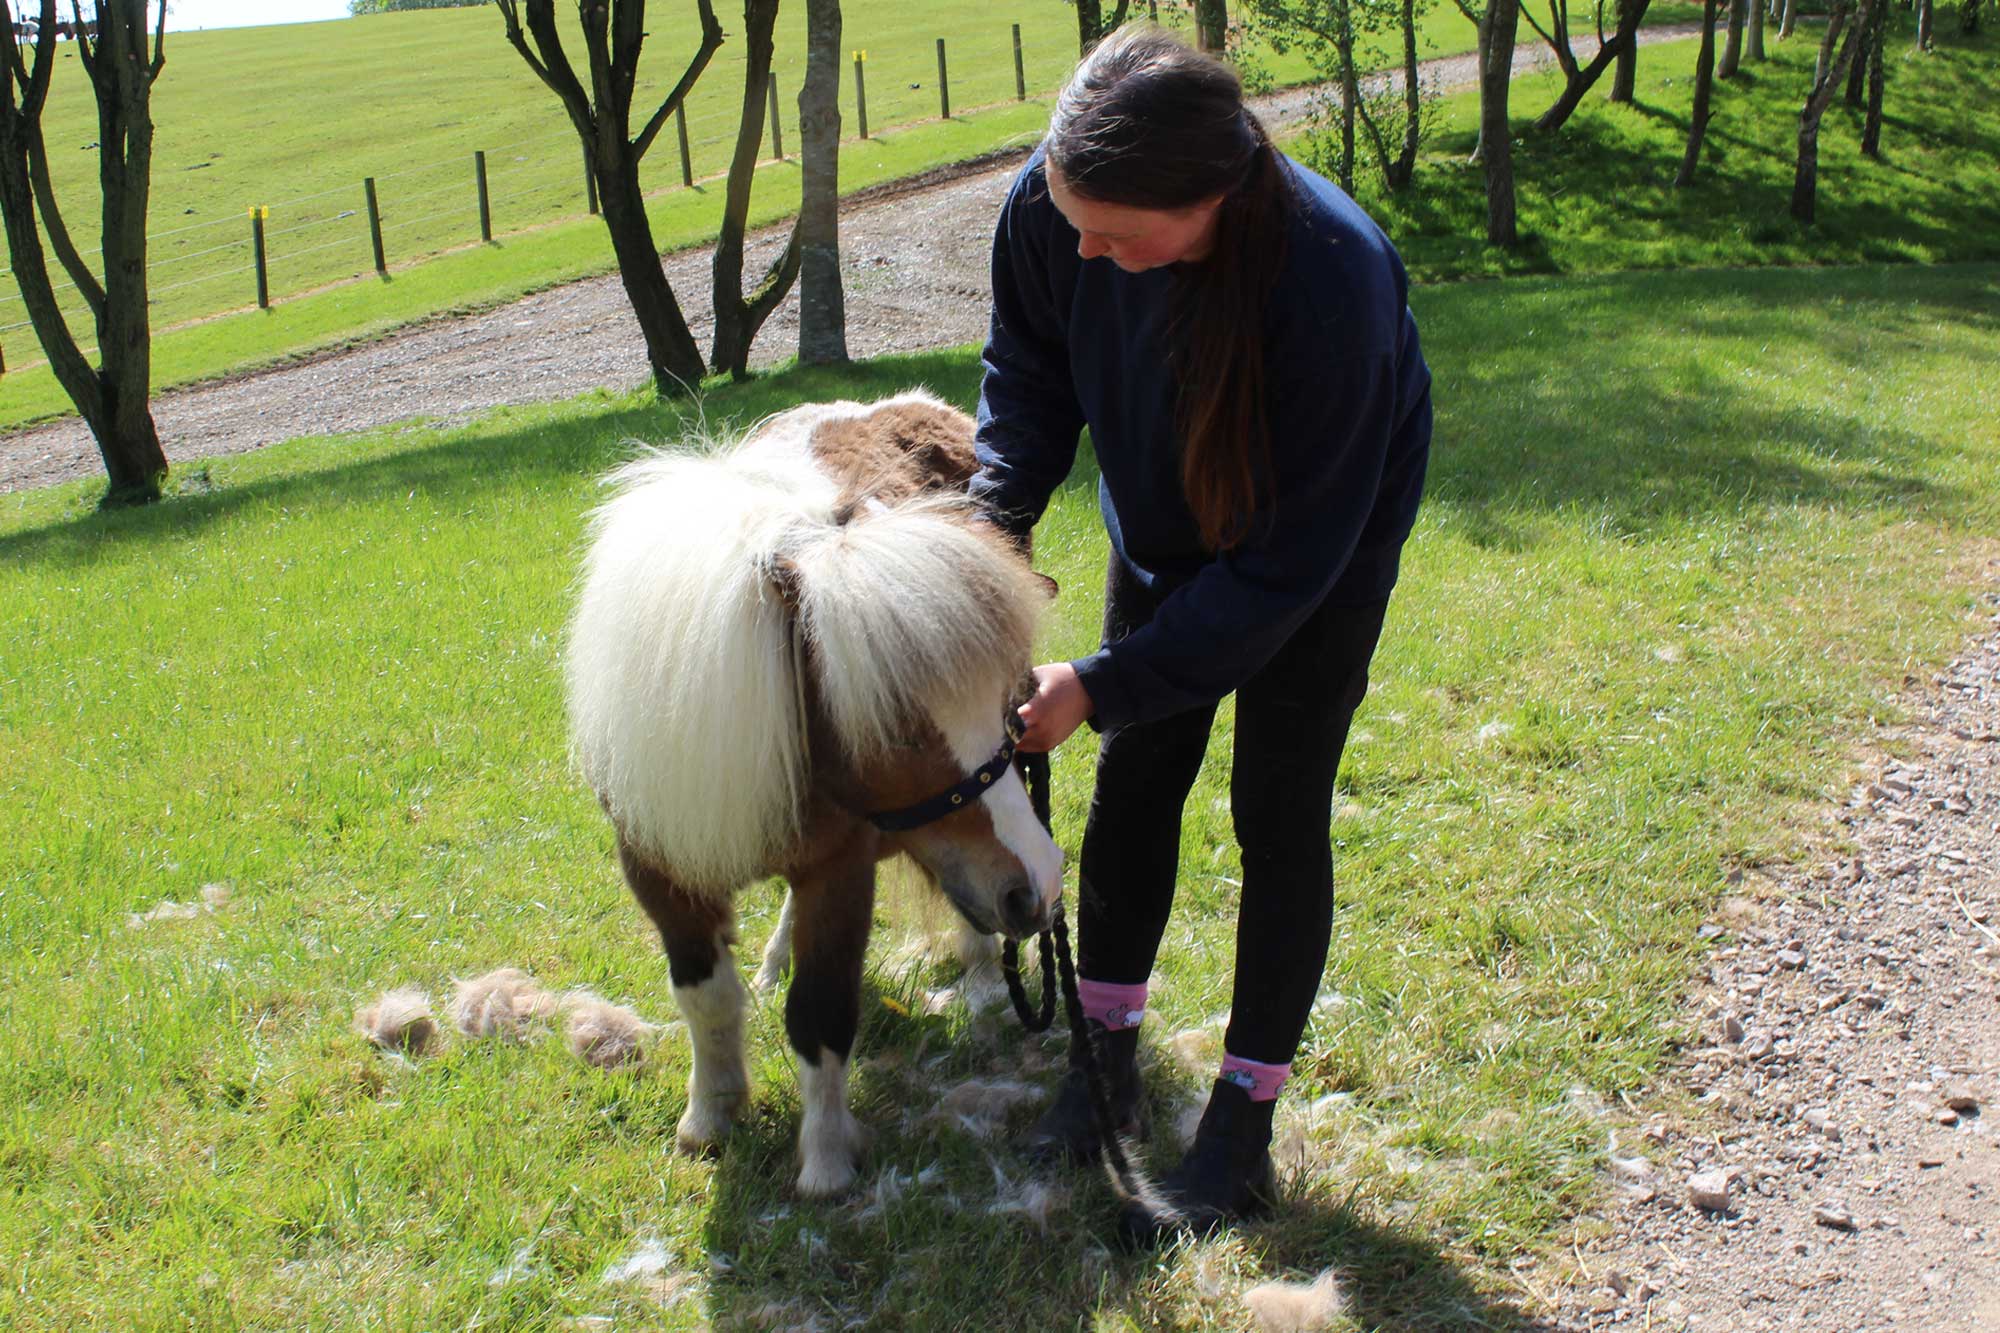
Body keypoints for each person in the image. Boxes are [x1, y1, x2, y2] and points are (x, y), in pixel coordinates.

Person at [968, 25, 1433, 1243]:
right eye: (1072, 220)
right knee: (1137, 780)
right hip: (1162, 521)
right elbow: (1027, 366)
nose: (1084, 250)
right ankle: (1104, 1056)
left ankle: (1239, 1125)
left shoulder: (1333, 278)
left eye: (1116, 237)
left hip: (1315, 554)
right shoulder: (1056, 206)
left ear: (1211, 201)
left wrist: (1105, 678)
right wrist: (990, 527)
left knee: (1278, 806)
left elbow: (1283, 566)